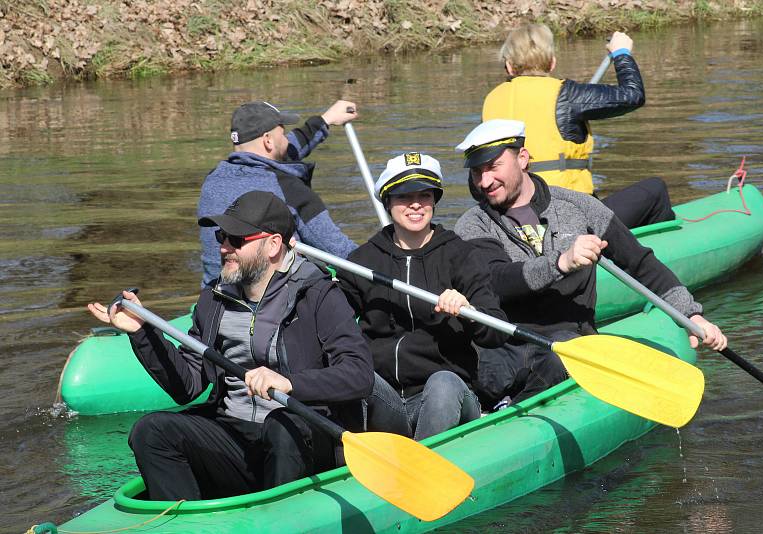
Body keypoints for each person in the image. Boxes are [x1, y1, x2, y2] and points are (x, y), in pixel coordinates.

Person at [88, 191, 373, 500]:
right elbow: (187, 387)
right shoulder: (214, 299)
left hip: (303, 438)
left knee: (281, 425)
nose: (224, 247)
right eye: (221, 236)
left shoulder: (319, 295)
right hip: (236, 435)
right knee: (150, 431)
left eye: (236, 239)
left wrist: (290, 383)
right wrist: (141, 333)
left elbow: (359, 374)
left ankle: (276, 519)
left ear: (273, 244)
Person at [453, 120, 727, 407]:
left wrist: (691, 315)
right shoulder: (473, 224)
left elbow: (640, 263)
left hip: (569, 346)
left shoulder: (579, 207)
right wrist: (560, 263)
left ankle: (509, 411)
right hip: (505, 348)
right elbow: (495, 280)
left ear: (523, 158)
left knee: (558, 354)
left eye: (493, 167)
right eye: (476, 172)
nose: (484, 182)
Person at [336, 153, 509, 439]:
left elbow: (496, 332)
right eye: (404, 196)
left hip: (447, 398)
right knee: (359, 377)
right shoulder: (361, 262)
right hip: (388, 403)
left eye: (424, 195)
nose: (416, 204)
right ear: (388, 201)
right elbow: (330, 320)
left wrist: (470, 310)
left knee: (443, 384)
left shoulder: (461, 255)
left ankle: (421, 467)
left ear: (434, 201)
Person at [482, 24, 675, 229]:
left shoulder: (491, 100)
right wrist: (621, 53)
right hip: (569, 221)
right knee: (656, 190)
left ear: (510, 66)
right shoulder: (567, 95)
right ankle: (648, 256)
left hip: (511, 221)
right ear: (552, 63)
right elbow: (632, 95)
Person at [198, 100, 359, 287]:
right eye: (283, 134)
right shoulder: (288, 188)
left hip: (215, 292)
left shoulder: (211, 180)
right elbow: (338, 250)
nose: (287, 140)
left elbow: (284, 151)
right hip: (277, 297)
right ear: (268, 140)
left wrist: (326, 120)